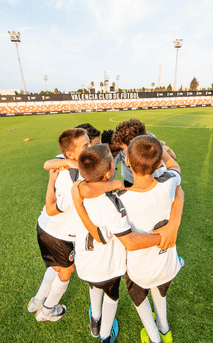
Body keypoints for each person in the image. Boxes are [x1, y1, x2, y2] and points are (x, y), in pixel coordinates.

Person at [69, 143, 164, 343]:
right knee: (111, 297)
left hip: (85, 263)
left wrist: (115, 184)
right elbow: (106, 238)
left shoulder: (79, 186)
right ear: (108, 172)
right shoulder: (111, 203)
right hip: (106, 267)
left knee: (93, 287)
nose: (115, 162)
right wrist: (162, 238)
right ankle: (104, 335)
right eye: (113, 162)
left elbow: (86, 190)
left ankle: (95, 319)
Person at [117, 135, 185, 343]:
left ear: (127, 160)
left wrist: (162, 234)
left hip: (140, 271)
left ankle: (155, 338)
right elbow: (176, 171)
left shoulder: (121, 200)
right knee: (160, 290)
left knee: (139, 298)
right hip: (167, 265)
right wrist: (172, 226)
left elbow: (129, 241)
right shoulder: (170, 181)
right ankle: (164, 329)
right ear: (158, 164)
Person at [27, 128, 90, 322]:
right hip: (60, 234)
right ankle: (47, 310)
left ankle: (36, 302)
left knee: (55, 267)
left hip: (45, 226)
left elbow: (48, 164)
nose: (90, 147)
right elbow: (53, 208)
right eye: (86, 145)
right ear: (70, 153)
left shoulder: (61, 161)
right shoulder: (77, 180)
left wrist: (69, 162)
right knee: (66, 270)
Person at [112, 119, 175, 187]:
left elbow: (169, 151)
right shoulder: (153, 144)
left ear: (132, 144)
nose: (123, 151)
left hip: (155, 181)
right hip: (132, 181)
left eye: (123, 148)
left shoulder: (154, 147)